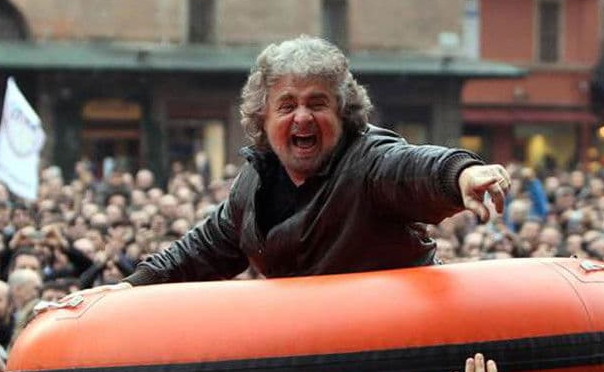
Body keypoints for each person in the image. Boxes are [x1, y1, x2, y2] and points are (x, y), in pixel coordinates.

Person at [94, 36, 510, 290]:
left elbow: (411, 168)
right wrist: (129, 287)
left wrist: (461, 173)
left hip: (391, 346)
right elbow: (203, 249)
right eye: (287, 105)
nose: (303, 117)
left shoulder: (368, 161)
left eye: (317, 103)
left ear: (343, 114)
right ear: (263, 118)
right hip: (308, 356)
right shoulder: (253, 183)